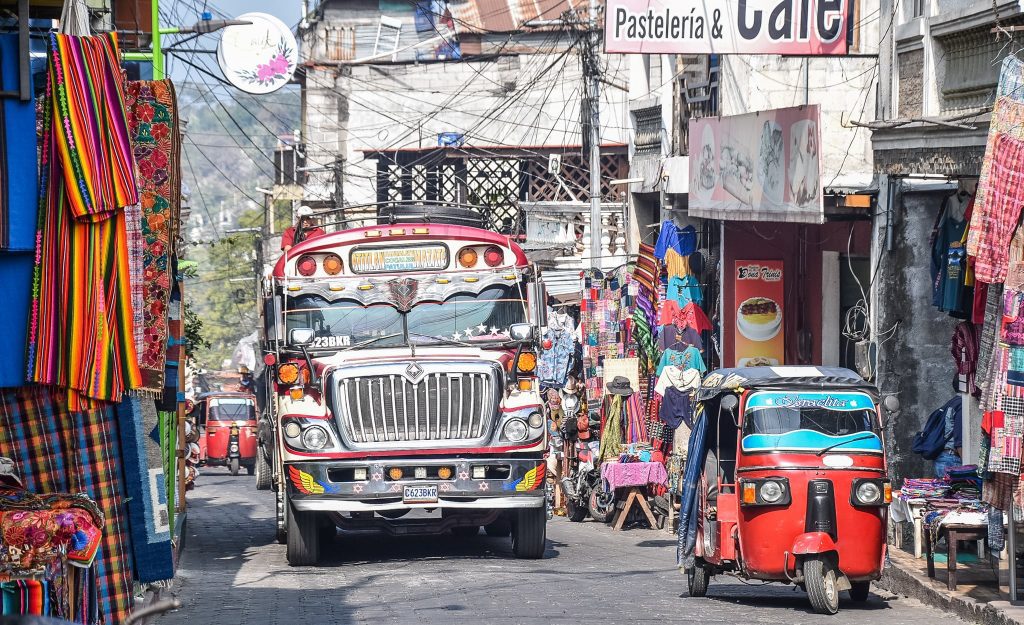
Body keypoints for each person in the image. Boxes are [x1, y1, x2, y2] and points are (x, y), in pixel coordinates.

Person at [933, 396, 963, 479]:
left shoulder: (951, 402)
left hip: (942, 458)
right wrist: (967, 467)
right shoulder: (961, 405)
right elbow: (959, 441)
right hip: (952, 459)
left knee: (942, 490)